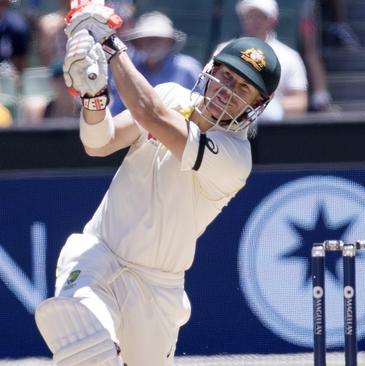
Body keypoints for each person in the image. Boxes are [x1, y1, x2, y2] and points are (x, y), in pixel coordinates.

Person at [33, 3, 280, 365]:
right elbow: (99, 143)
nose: (228, 90)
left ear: (257, 104)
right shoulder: (171, 95)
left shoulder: (234, 157)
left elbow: (151, 115)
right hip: (98, 253)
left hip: (157, 288)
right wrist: (94, 100)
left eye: (243, 88)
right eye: (227, 76)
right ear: (211, 70)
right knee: (87, 346)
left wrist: (110, 45)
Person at [215, 0, 307, 121]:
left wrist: (263, 107)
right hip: (225, 125)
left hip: (270, 132)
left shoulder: (290, 56)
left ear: (273, 20)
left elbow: (300, 101)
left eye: (259, 16)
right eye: (249, 16)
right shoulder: (224, 49)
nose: (253, 21)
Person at [109, 11, 203, 115]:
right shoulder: (129, 69)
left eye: (158, 39)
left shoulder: (188, 69)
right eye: (146, 39)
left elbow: (202, 109)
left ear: (170, 42)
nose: (152, 44)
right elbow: (117, 110)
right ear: (137, 43)